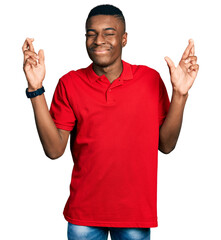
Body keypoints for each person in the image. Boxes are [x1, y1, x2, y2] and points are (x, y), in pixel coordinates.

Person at [22, 4, 199, 240]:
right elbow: (54, 150)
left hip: (134, 216)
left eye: (109, 33)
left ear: (124, 39)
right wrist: (36, 89)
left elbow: (166, 145)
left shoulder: (149, 80)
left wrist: (180, 94)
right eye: (91, 33)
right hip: (83, 216)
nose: (98, 40)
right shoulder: (70, 83)